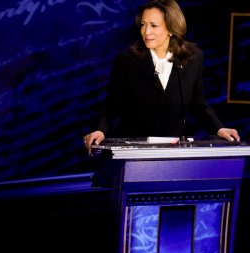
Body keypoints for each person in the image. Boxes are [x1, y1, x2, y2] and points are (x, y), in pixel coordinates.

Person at [83, 0, 240, 152]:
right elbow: (111, 105)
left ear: (171, 28)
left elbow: (198, 103)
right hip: (134, 149)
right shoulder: (126, 59)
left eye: (154, 25)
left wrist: (219, 128)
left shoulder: (193, 57)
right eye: (143, 25)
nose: (146, 32)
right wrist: (100, 130)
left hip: (172, 150)